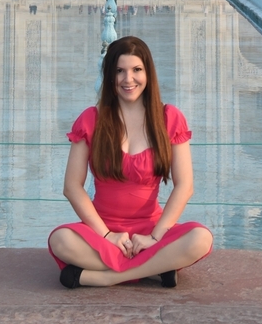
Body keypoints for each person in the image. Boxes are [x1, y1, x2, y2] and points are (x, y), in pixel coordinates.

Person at [48, 36, 213, 289]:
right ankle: (155, 269)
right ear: (109, 75)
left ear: (148, 73)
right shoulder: (91, 119)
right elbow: (72, 187)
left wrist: (155, 237)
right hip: (101, 229)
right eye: (119, 71)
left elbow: (185, 186)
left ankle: (104, 277)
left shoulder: (170, 118)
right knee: (60, 240)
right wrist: (106, 235)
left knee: (201, 239)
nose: (128, 79)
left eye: (137, 70)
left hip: (151, 228)